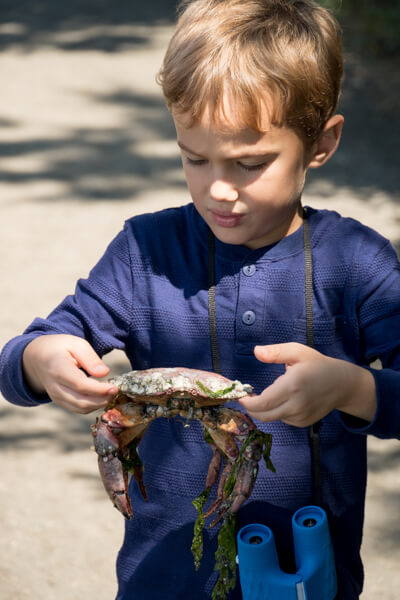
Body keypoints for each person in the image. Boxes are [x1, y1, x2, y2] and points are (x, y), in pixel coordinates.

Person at [1, 0, 399, 598]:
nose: (217, 188)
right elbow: (27, 353)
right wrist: (44, 359)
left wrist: (351, 388)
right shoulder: (145, 250)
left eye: (250, 163)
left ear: (321, 142)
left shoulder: (359, 264)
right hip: (161, 578)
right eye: (194, 158)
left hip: (307, 574)